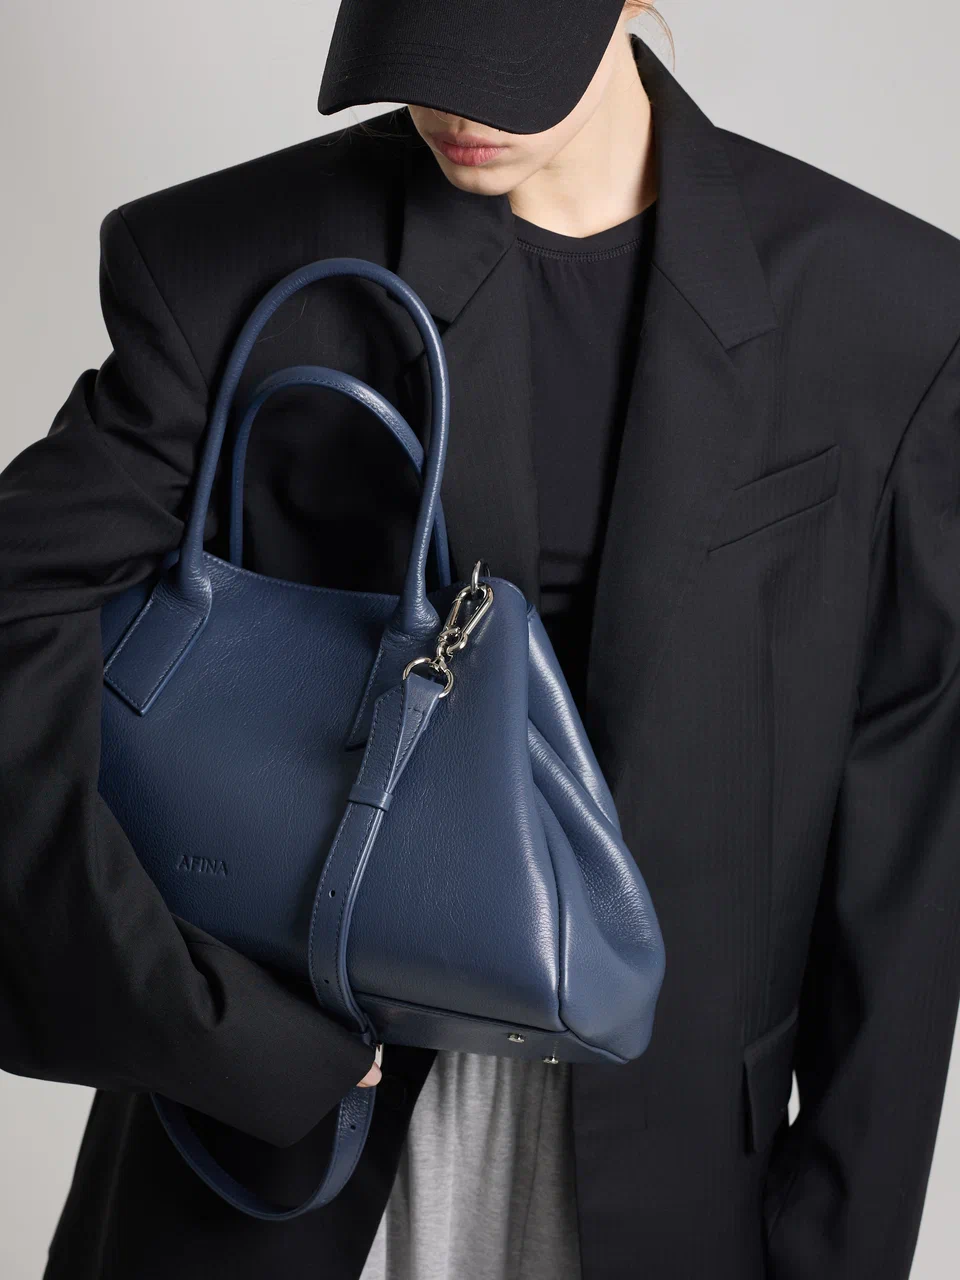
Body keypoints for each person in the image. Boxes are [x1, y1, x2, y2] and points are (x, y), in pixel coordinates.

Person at [1, 1, 960, 1278]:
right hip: (276, 1167)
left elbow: (908, 863)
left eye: (502, 61)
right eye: (422, 58)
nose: (455, 108)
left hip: (670, 1188)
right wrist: (202, 1016)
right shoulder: (233, 261)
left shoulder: (887, 313)